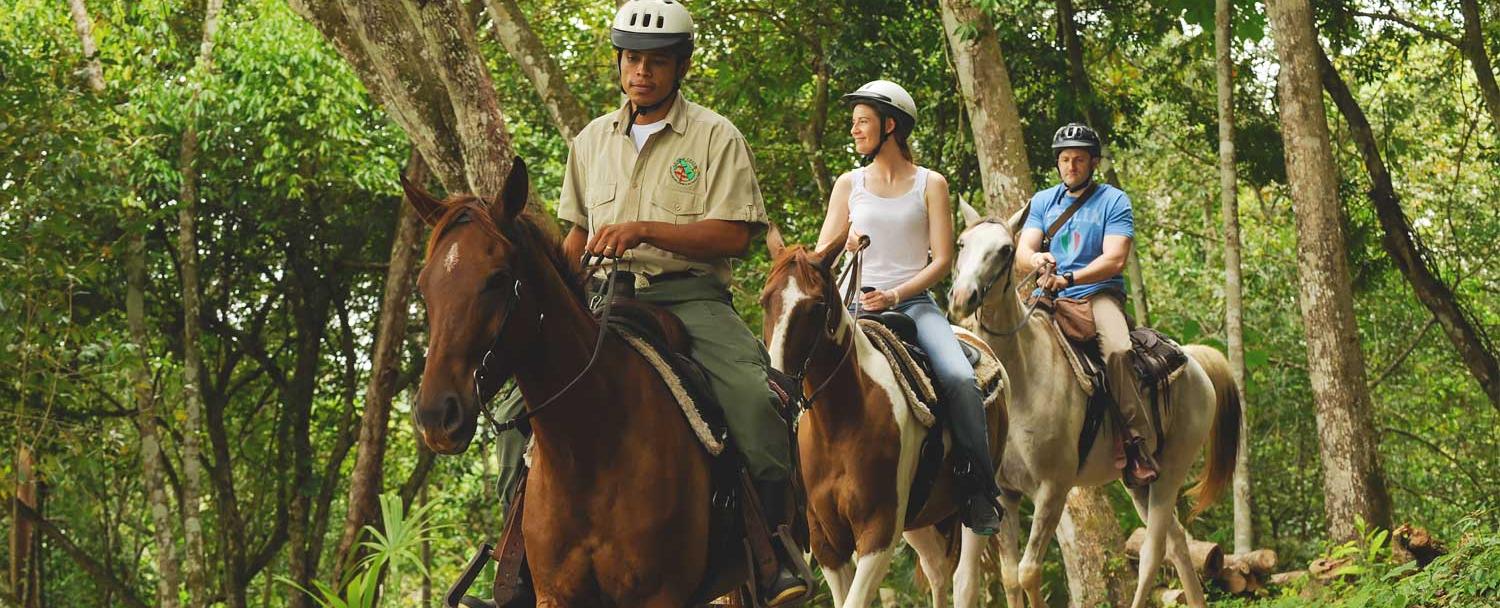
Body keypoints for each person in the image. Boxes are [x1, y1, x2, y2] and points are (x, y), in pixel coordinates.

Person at [555, 0, 807, 603]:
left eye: (657, 62)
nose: (642, 72)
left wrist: (645, 230)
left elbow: (735, 235)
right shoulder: (590, 141)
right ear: (620, 63)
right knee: (520, 406)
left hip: (689, 298)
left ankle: (774, 552)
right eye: (633, 59)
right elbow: (574, 236)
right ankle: (515, 562)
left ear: (681, 66)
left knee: (753, 401)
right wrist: (560, 296)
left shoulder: (716, 137)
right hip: (602, 300)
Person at [814, 79, 1004, 535]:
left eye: (863, 121)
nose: (855, 130)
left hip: (913, 305)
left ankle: (978, 489)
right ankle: (791, 494)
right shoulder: (848, 184)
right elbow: (822, 252)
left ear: (890, 125)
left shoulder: (931, 184)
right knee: (793, 373)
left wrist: (896, 295)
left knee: (959, 379)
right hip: (854, 307)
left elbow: (941, 261)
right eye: (854, 122)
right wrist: (847, 242)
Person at [1014, 122, 1160, 486]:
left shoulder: (1113, 200)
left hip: (1097, 294)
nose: (1071, 166)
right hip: (1048, 296)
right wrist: (1037, 262)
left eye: (1079, 159)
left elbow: (1115, 259)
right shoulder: (1044, 201)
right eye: (1065, 159)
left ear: (1093, 163)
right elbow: (1023, 250)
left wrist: (1072, 278)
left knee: (1117, 351)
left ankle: (1135, 441)